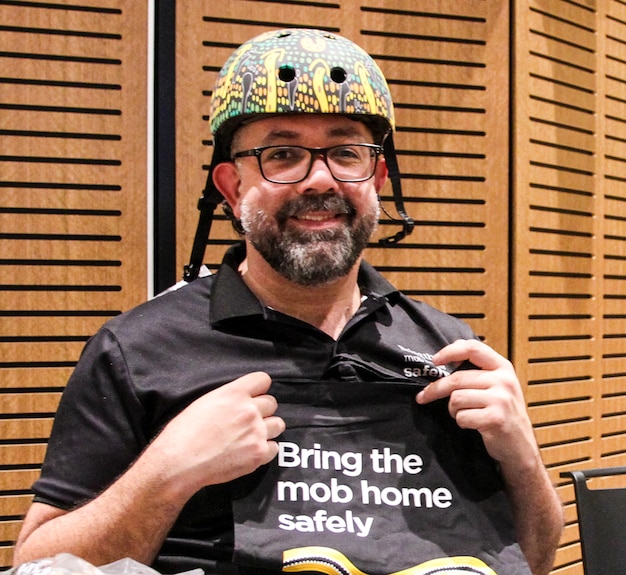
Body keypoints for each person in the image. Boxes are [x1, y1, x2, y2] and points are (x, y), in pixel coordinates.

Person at [13, 29, 563, 575]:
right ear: (231, 188)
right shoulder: (137, 350)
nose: (320, 180)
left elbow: (532, 561)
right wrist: (168, 470)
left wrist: (521, 456)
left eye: (346, 152)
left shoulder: (447, 348)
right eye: (282, 155)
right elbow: (38, 565)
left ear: (378, 178)